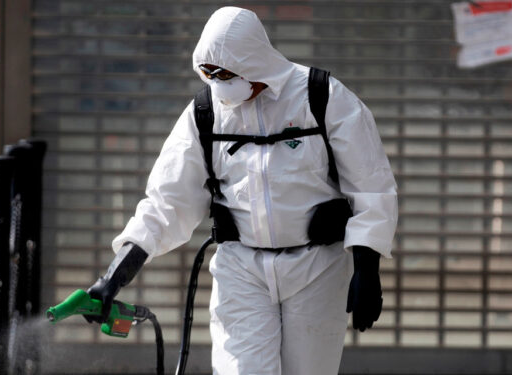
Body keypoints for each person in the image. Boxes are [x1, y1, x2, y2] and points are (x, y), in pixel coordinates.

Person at [84, 6, 397, 375]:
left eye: (227, 73)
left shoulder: (321, 97)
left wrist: (367, 266)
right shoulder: (206, 112)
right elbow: (168, 201)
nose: (220, 83)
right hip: (242, 269)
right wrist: (114, 276)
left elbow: (371, 186)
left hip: (317, 268)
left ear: (255, 62)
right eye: (210, 74)